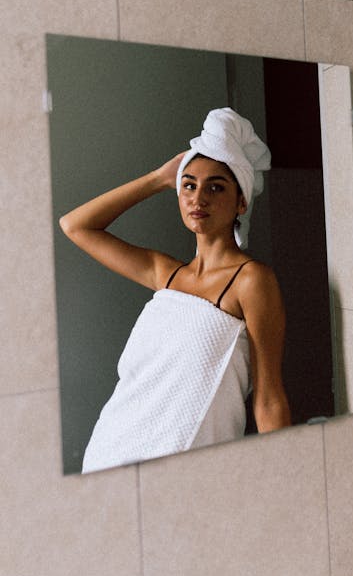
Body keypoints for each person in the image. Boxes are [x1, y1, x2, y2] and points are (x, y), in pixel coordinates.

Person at [60, 107, 291, 473]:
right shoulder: (164, 274)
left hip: (185, 467)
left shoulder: (251, 281)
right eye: (189, 185)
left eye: (216, 187)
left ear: (241, 202)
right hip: (110, 451)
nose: (199, 198)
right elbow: (75, 225)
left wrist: (288, 476)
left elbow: (268, 398)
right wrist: (158, 178)